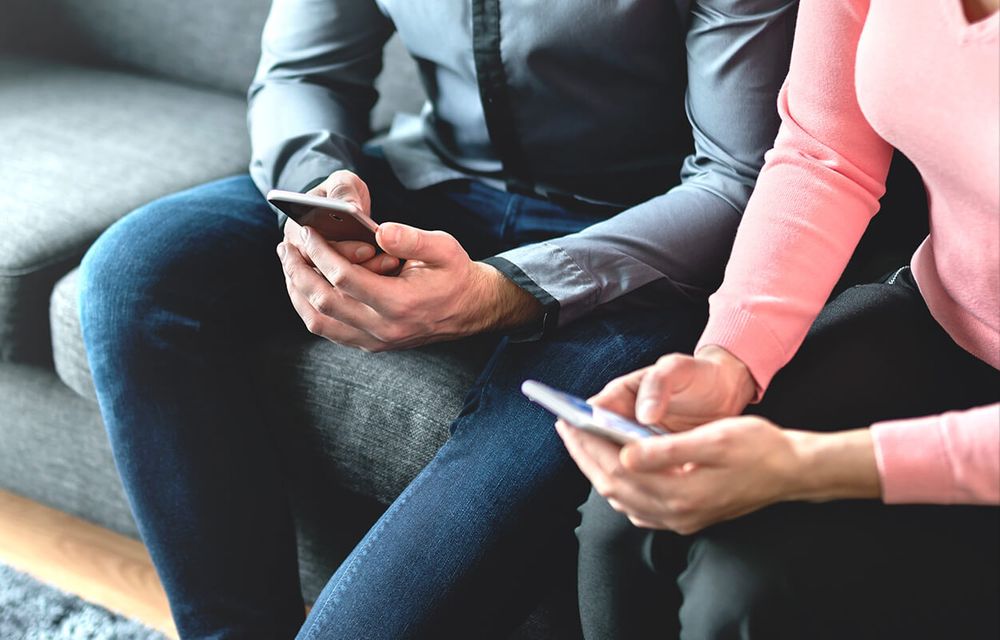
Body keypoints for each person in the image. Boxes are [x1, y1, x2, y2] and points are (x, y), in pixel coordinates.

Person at [78, 0, 798, 637]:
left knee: (543, 435)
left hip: (638, 241)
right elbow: (304, 75)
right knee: (134, 274)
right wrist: (321, 196)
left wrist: (501, 290)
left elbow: (738, 180)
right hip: (431, 177)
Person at [560, 0, 1000, 638]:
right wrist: (729, 362)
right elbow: (827, 154)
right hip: (942, 315)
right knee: (629, 511)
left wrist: (805, 465)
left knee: (742, 601)